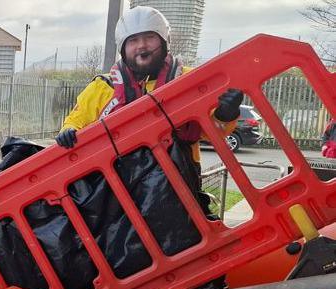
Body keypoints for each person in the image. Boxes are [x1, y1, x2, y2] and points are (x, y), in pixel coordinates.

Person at [56, 5, 243, 199]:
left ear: (164, 42)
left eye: (149, 37)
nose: (142, 45)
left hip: (179, 192)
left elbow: (213, 132)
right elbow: (74, 122)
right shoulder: (103, 87)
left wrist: (226, 114)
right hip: (117, 195)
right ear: (123, 47)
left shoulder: (189, 81)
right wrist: (67, 133)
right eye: (133, 40)